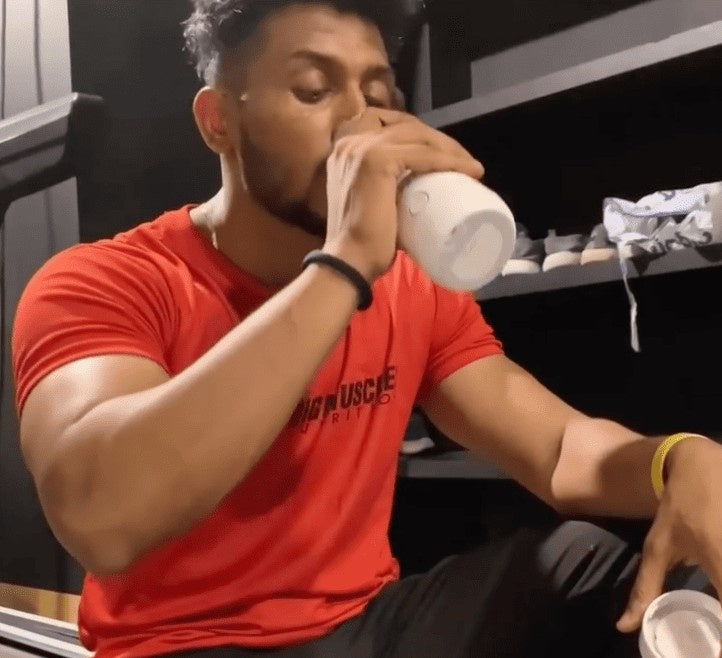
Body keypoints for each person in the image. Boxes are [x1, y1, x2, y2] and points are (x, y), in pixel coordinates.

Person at [10, 1, 722, 657]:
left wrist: (676, 460)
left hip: (366, 629)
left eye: (380, 96)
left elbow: (558, 448)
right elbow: (101, 516)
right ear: (218, 120)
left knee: (604, 565)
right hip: (185, 645)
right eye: (314, 90)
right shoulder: (105, 282)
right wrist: (343, 264)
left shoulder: (406, 283)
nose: (361, 125)